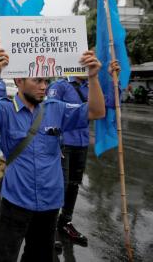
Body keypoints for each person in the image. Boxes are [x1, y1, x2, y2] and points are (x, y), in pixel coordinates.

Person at [0, 47, 106, 262]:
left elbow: (96, 111)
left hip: (49, 202)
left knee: (40, 256)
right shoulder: (6, 109)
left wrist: (93, 77)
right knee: (4, 256)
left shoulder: (56, 108)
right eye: (37, 81)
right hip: (16, 200)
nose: (43, 87)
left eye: (45, 81)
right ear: (19, 80)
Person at [47, 61, 120, 245]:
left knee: (73, 185)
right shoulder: (59, 86)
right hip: (63, 144)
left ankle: (65, 222)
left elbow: (110, 103)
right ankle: (50, 228)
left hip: (81, 144)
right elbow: (51, 112)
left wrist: (113, 79)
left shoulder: (90, 86)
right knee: (59, 187)